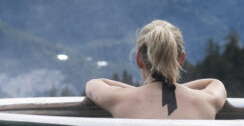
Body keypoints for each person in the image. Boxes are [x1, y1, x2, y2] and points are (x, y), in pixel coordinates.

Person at [85, 19, 227, 119]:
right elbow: (214, 83)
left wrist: (137, 90)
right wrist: (179, 89)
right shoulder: (207, 100)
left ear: (139, 59)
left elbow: (93, 84)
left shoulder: (119, 99)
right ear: (181, 59)